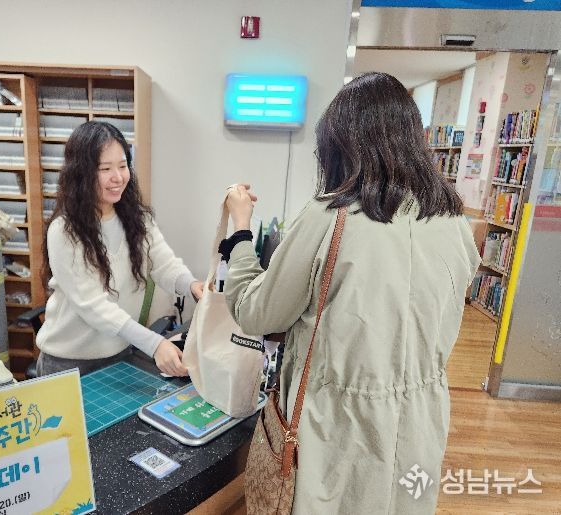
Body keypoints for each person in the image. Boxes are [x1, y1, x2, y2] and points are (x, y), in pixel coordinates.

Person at [221, 73, 480, 513]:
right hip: (421, 423)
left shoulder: (331, 216)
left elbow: (255, 311)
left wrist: (241, 230)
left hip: (337, 431)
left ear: (340, 145)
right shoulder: (453, 222)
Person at [36, 121, 203, 378]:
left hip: (120, 354)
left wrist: (192, 286)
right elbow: (94, 306)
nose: (118, 177)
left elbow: (164, 263)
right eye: (105, 169)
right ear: (81, 173)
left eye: (123, 166)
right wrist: (155, 344)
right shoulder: (64, 231)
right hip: (69, 363)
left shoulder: (137, 219)